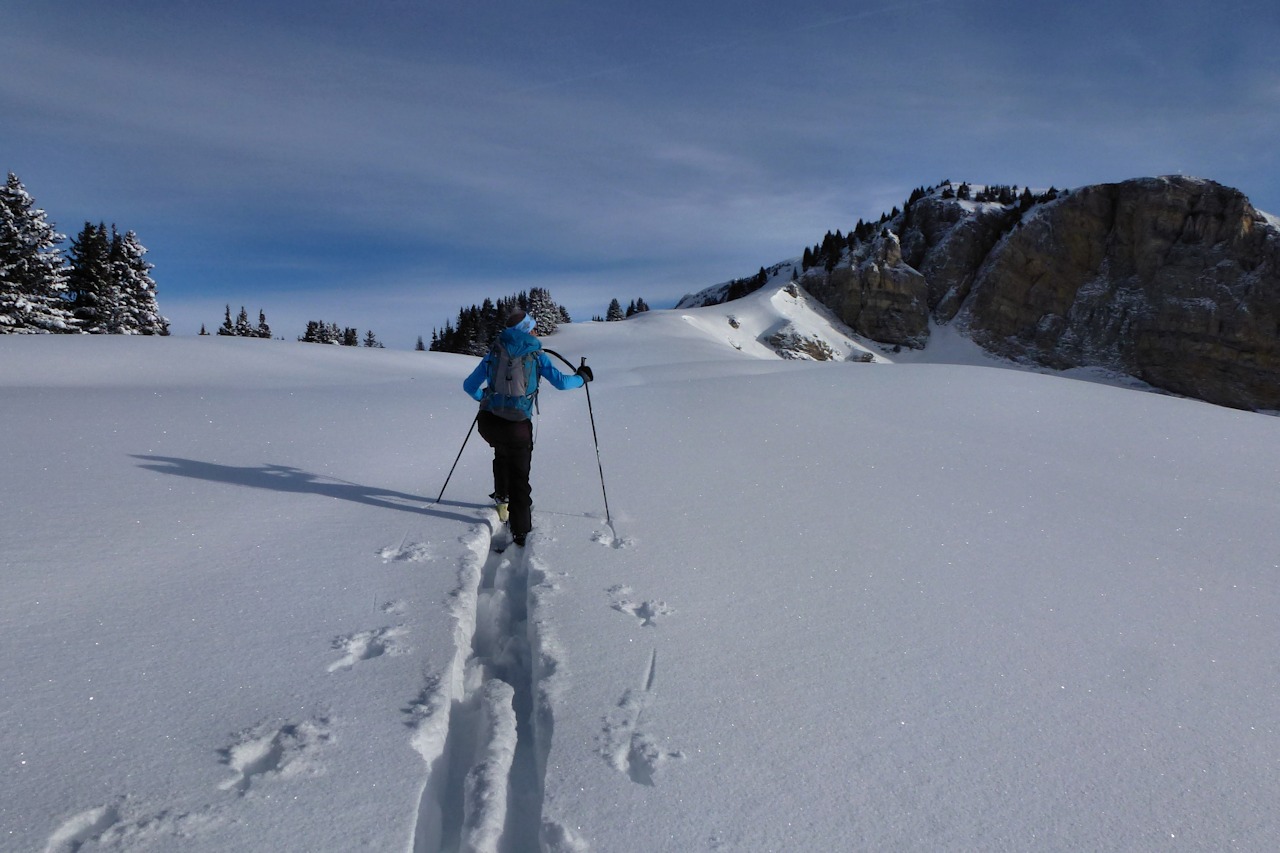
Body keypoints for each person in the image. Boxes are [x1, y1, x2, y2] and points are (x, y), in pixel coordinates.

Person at [462, 310, 593, 547]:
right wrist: (582, 378)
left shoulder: (495, 351)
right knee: (520, 475)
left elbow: (469, 386)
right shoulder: (536, 354)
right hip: (518, 425)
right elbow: (562, 383)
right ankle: (520, 531)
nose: (535, 330)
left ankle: (502, 502)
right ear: (526, 330)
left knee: (501, 455)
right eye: (532, 327)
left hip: (489, 421)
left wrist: (485, 398)